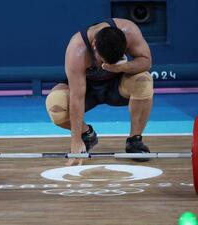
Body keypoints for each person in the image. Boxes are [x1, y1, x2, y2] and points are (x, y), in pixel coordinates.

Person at [46, 18, 153, 165]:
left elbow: (146, 61)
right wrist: (76, 140)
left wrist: (121, 67)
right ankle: (87, 135)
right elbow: (77, 97)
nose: (105, 64)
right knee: (56, 106)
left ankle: (134, 141)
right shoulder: (77, 49)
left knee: (144, 81)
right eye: (102, 60)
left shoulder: (129, 30)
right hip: (87, 90)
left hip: (117, 86)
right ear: (94, 45)